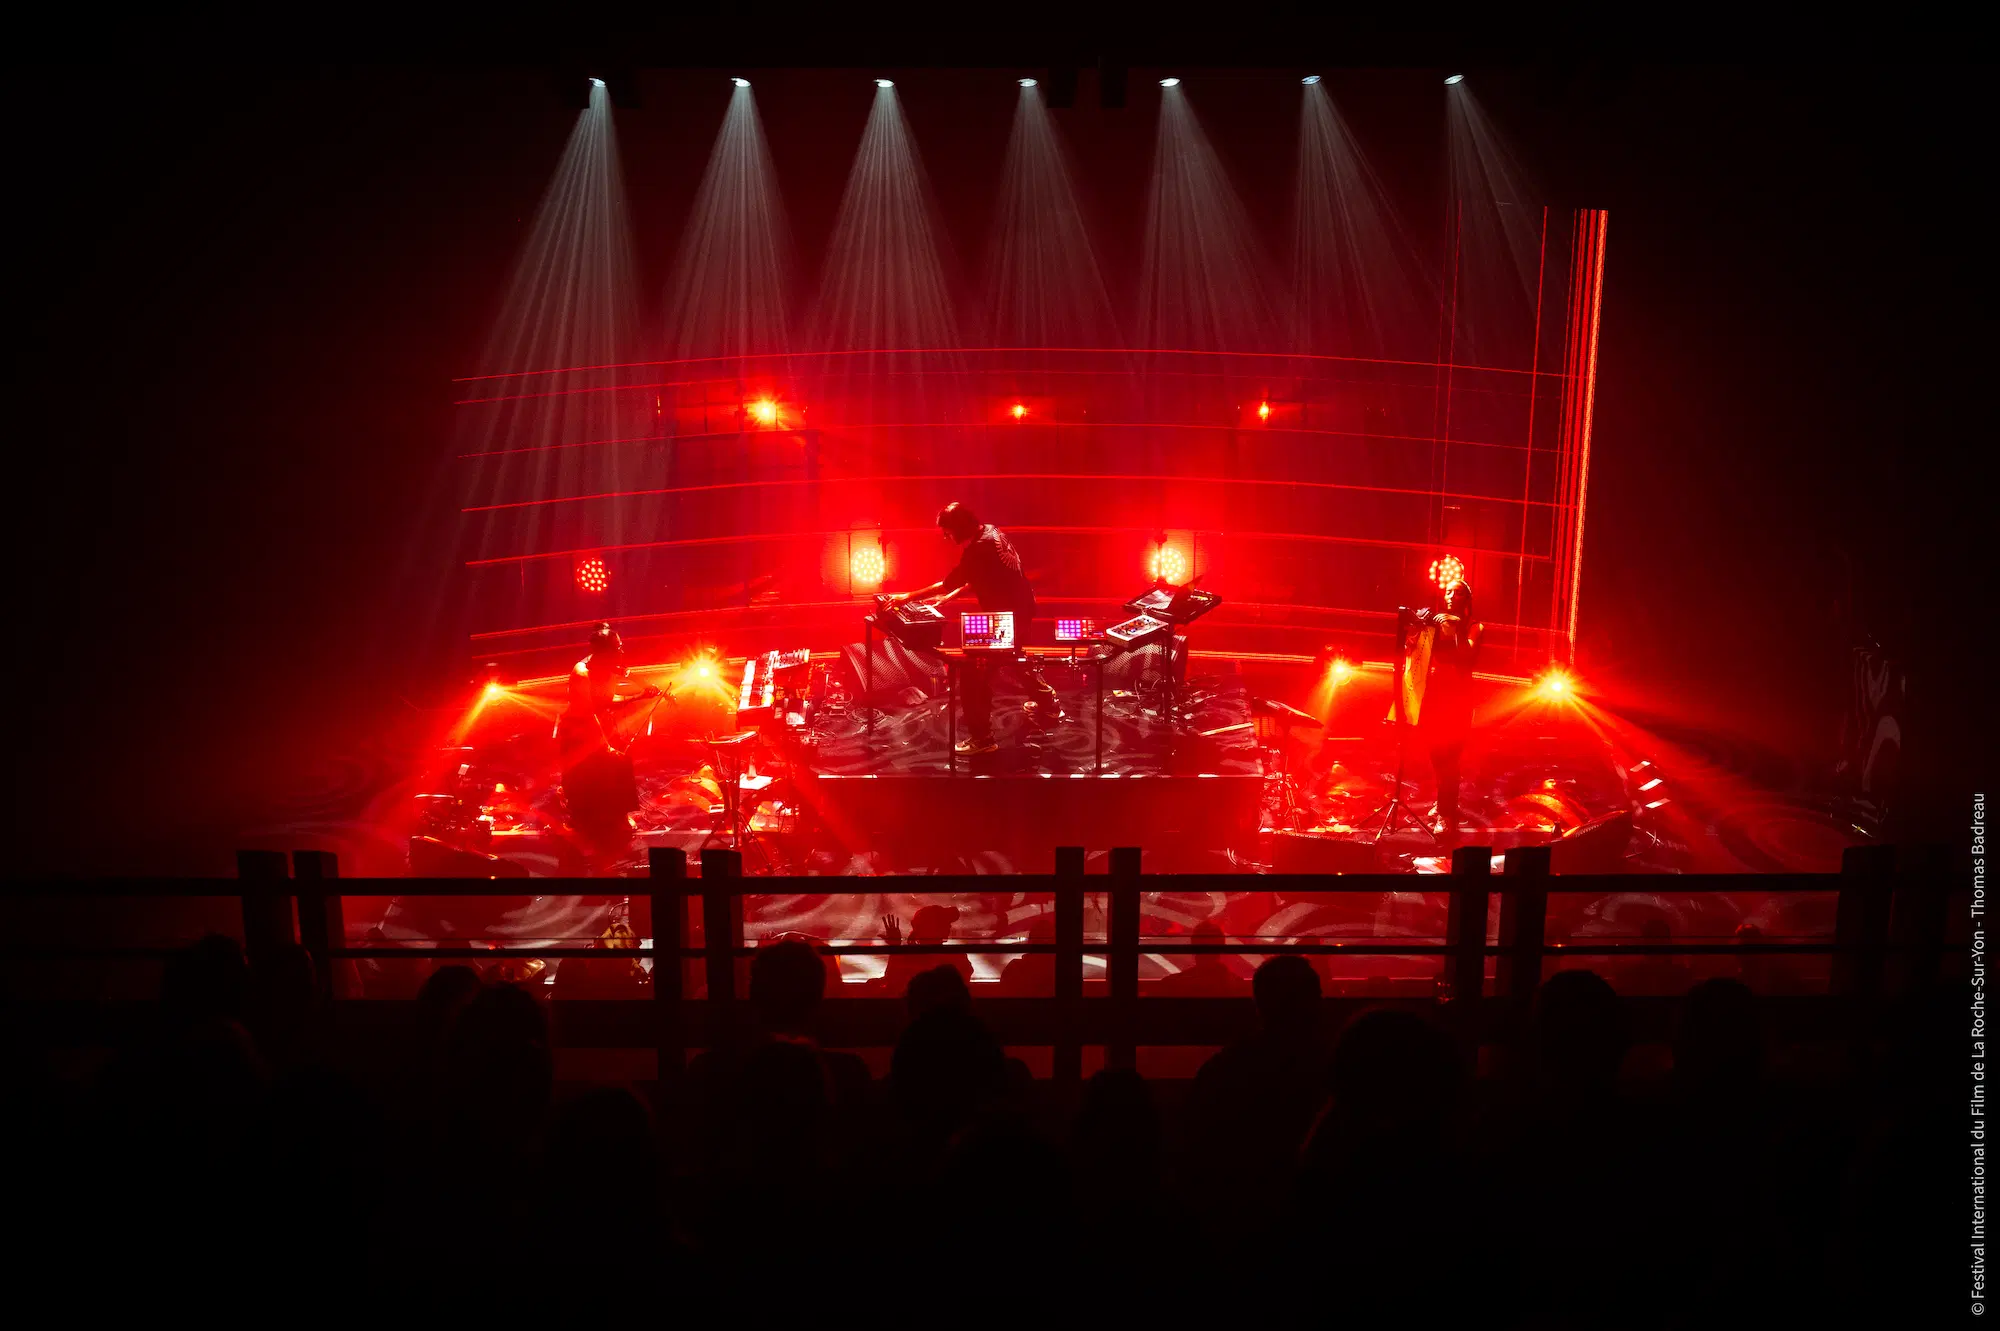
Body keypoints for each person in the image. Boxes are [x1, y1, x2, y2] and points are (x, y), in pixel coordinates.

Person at [887, 501, 1062, 756]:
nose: (946, 538)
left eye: (947, 532)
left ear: (957, 528)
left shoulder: (977, 550)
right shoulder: (991, 532)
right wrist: (948, 600)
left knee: (973, 675)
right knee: (1015, 659)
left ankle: (982, 739)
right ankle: (1049, 704)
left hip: (1005, 621)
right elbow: (980, 576)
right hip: (1022, 612)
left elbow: (948, 582)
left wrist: (907, 597)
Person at [554, 623, 662, 866]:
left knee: (620, 760)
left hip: (599, 722)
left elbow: (607, 700)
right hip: (580, 731)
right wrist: (605, 746)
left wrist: (639, 696)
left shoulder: (608, 667)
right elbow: (588, 713)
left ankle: (616, 816)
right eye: (618, 648)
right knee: (598, 768)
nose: (622, 652)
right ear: (605, 651)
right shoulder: (582, 674)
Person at [1415, 579, 1482, 836]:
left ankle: (1446, 815)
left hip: (1459, 700)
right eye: (1448, 591)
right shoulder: (1436, 624)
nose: (1451, 595)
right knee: (1436, 754)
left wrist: (1453, 631)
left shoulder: (1475, 627)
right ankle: (1444, 799)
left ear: (1467, 599)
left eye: (1457, 592)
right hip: (1435, 697)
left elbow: (1467, 658)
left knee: (1450, 758)